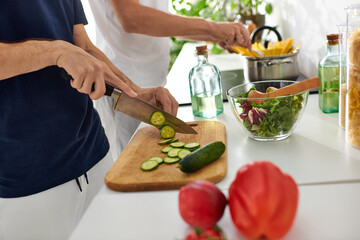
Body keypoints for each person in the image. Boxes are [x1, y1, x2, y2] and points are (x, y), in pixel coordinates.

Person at [0, 1, 178, 239]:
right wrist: (55, 51)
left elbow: (82, 44)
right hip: (27, 183)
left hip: (95, 157)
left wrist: (133, 92)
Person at [89, 0, 252, 161]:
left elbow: (156, 21)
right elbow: (132, 17)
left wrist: (211, 34)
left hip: (153, 84)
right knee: (136, 164)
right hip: (126, 89)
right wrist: (212, 27)